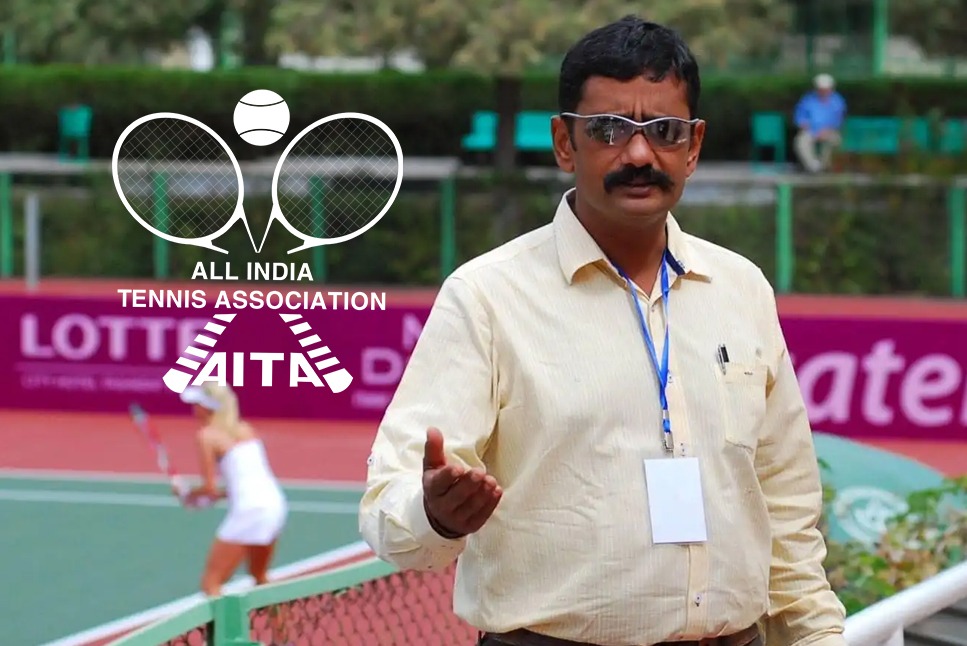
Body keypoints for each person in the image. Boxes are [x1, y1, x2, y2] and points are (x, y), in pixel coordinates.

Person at [359, 15, 848, 646]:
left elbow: (785, 508)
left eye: (664, 131)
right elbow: (388, 501)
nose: (639, 155)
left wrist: (817, 635)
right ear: (565, 143)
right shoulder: (487, 297)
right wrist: (435, 514)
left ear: (693, 146)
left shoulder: (740, 288)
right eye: (609, 130)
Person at [178, 382, 288, 597]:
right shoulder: (246, 430)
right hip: (275, 505)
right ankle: (281, 621)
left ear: (207, 407)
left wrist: (187, 493)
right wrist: (199, 496)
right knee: (260, 576)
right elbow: (239, 485)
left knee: (211, 584)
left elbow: (210, 489)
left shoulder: (206, 436)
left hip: (249, 510)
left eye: (197, 404)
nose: (194, 409)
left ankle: (225, 623)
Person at [793, 73, 847, 173]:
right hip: (810, 130)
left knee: (835, 141)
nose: (823, 91)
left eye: (826, 89)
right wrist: (804, 124)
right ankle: (813, 167)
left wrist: (827, 130)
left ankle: (824, 166)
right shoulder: (808, 99)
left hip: (829, 131)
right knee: (801, 141)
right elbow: (800, 115)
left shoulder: (837, 101)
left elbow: (838, 119)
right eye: (821, 89)